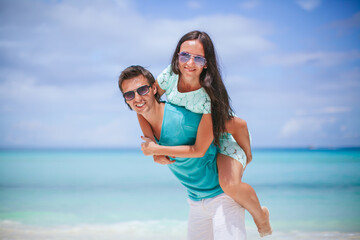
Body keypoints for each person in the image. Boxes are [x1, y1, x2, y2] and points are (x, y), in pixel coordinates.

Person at [138, 30, 272, 237]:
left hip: (225, 140)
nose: (189, 63)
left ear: (206, 63)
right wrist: (150, 141)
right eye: (184, 55)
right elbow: (145, 106)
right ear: (177, 57)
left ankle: (260, 215)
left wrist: (247, 155)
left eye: (198, 58)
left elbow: (228, 132)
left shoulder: (208, 97)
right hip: (202, 138)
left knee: (229, 184)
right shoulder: (169, 76)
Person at [118, 65, 247, 240]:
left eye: (142, 89)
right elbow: (141, 109)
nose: (137, 98)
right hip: (195, 199)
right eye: (129, 94)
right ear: (126, 99)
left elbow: (234, 124)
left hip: (222, 195)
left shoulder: (181, 118)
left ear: (154, 88)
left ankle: (261, 217)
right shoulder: (145, 117)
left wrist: (246, 155)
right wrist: (153, 148)